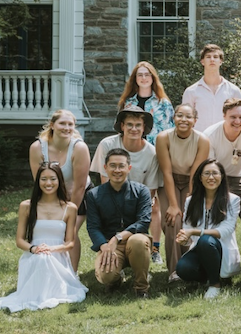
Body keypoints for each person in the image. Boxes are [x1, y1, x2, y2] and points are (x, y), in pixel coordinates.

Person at [0, 164, 87, 312]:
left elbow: (70, 242)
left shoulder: (70, 207)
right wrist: (34, 249)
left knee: (46, 258)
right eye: (44, 179)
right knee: (41, 258)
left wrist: (51, 249)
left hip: (58, 258)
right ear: (38, 181)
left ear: (59, 181)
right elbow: (19, 240)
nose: (48, 183)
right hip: (33, 255)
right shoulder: (27, 206)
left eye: (53, 179)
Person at [90, 106, 164, 263]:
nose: (134, 129)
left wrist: (138, 207)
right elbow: (105, 182)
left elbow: (151, 191)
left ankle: (155, 249)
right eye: (129, 124)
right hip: (112, 191)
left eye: (138, 125)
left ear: (144, 128)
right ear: (122, 126)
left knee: (155, 206)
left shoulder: (152, 153)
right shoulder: (107, 144)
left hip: (140, 197)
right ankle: (110, 248)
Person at [85, 149, 153, 298]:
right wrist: (104, 246)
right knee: (106, 276)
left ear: (129, 168)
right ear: (105, 168)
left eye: (121, 166)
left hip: (134, 241)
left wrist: (117, 238)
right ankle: (116, 280)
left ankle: (141, 287)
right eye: (113, 166)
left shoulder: (142, 191)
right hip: (109, 245)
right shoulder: (93, 195)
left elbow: (144, 221)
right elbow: (93, 226)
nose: (117, 170)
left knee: (138, 241)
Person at [27, 109, 90, 271]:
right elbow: (40, 182)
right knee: (51, 231)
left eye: (70, 124)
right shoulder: (37, 148)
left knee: (70, 231)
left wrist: (68, 213)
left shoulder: (79, 148)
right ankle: (49, 270)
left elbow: (80, 186)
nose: (66, 127)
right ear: (52, 125)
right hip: (52, 194)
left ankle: (72, 274)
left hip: (79, 194)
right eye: (62, 123)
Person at [156, 103, 210, 280]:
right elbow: (166, 172)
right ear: (174, 118)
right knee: (173, 220)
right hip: (168, 182)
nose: (183, 120)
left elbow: (195, 173)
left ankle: (190, 266)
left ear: (195, 121)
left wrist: (190, 200)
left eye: (188, 117)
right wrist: (172, 204)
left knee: (188, 220)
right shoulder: (163, 138)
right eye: (180, 115)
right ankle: (174, 271)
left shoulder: (202, 140)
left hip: (191, 182)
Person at [175, 160, 241, 299]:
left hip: (221, 248)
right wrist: (184, 239)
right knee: (182, 269)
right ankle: (208, 277)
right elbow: (187, 228)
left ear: (222, 176)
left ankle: (215, 285)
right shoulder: (191, 201)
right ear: (200, 177)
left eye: (215, 173)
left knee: (206, 240)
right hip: (199, 249)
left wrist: (194, 232)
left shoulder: (233, 200)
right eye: (206, 173)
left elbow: (226, 230)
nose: (211, 177)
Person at [204, 98, 241, 200]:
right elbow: (209, 169)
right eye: (233, 117)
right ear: (224, 116)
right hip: (216, 176)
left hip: (239, 177)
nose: (237, 121)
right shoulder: (210, 135)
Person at [183, 44, 241, 132]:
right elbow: (186, 121)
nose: (212, 60)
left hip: (226, 140)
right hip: (199, 141)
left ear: (221, 61)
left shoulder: (234, 91)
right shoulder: (191, 92)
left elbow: (240, 119)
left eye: (215, 57)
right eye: (208, 57)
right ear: (202, 61)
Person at [119, 61, 174, 145]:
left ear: (153, 78)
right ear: (135, 78)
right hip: (132, 150)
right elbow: (120, 128)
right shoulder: (127, 103)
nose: (143, 78)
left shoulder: (163, 104)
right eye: (140, 75)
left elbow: (172, 131)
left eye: (147, 74)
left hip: (157, 151)